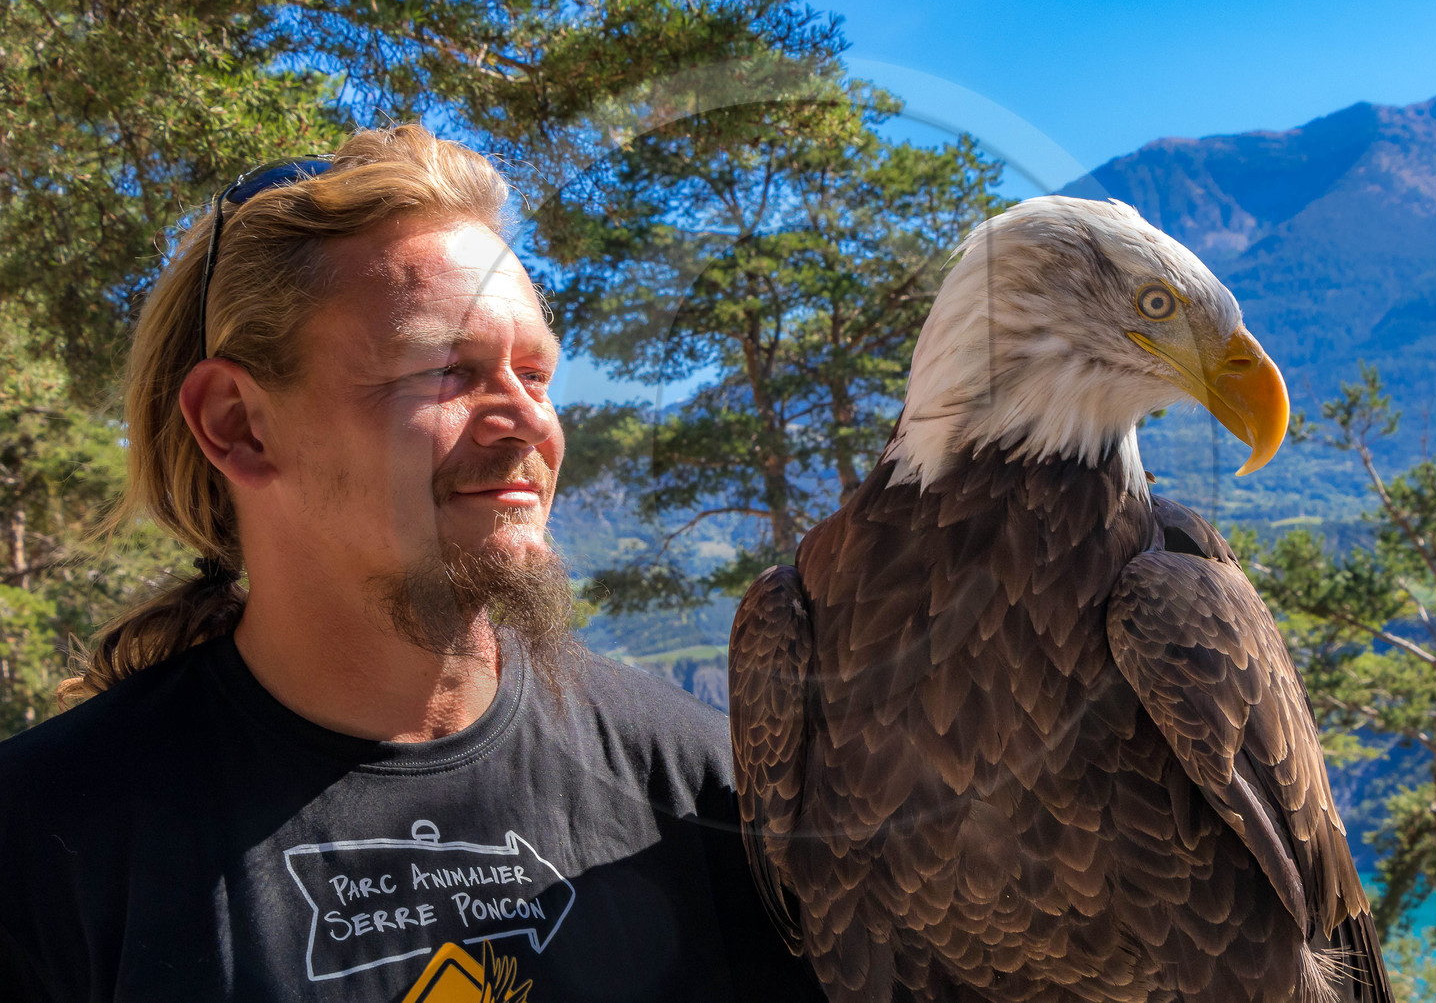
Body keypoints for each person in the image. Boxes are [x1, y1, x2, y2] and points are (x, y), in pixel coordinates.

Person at [0, 125, 821, 1002]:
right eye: (444, 369)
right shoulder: (38, 848)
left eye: (537, 375)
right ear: (239, 423)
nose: (528, 424)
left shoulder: (702, 782)